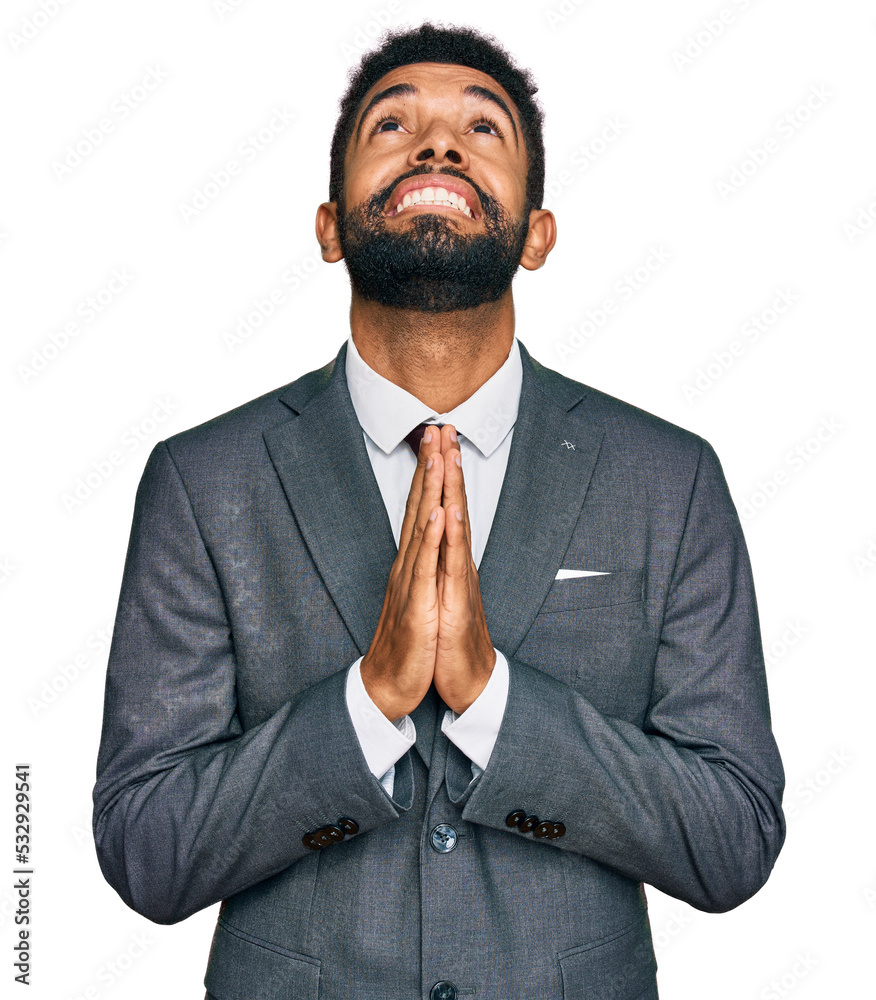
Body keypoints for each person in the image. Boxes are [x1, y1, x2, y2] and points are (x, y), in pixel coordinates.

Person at [93, 23, 785, 1000]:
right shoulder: (202, 482)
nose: (437, 146)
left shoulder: (669, 481)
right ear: (329, 227)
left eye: (480, 128)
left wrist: (494, 701)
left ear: (537, 234)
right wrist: (367, 701)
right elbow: (146, 848)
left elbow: (733, 837)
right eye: (394, 124)